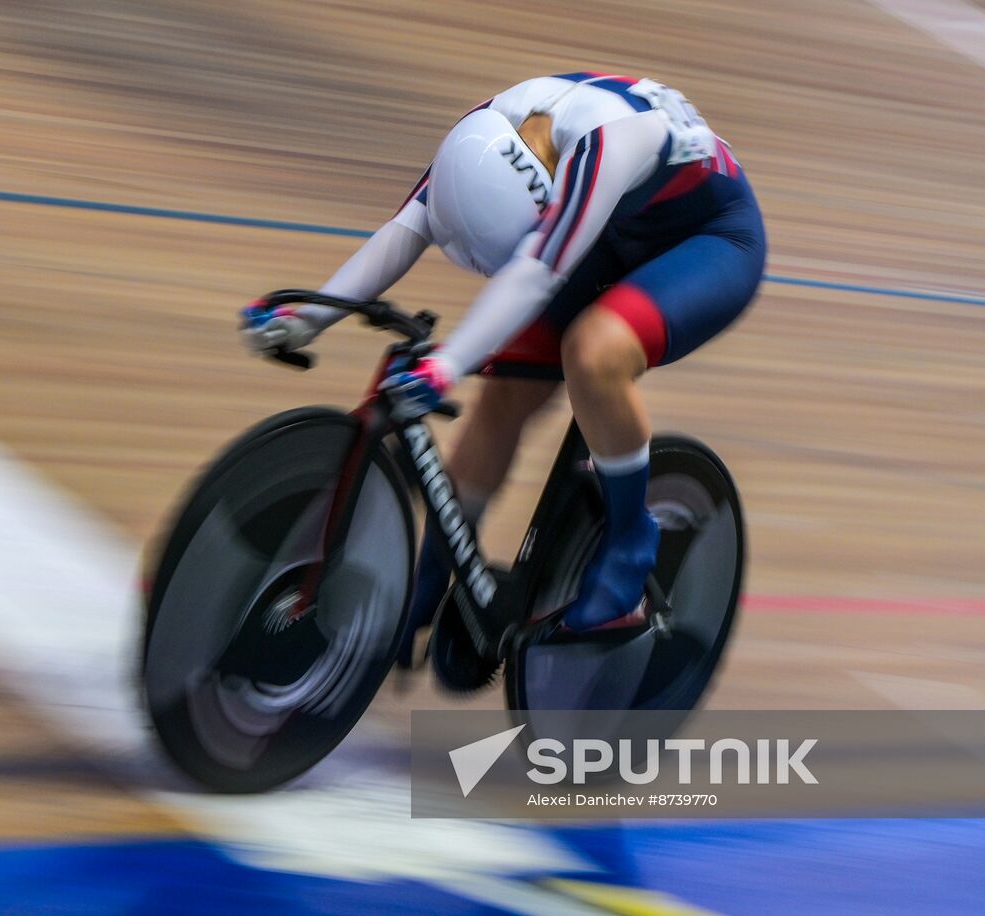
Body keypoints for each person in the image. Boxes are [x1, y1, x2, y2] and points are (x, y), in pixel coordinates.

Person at [240, 71, 766, 658]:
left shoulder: (611, 143)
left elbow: (533, 273)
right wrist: (307, 316)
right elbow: (405, 230)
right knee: (505, 394)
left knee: (593, 352)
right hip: (606, 225)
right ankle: (435, 578)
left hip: (708, 242)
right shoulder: (483, 134)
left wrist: (444, 368)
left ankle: (630, 540)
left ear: (539, 210)